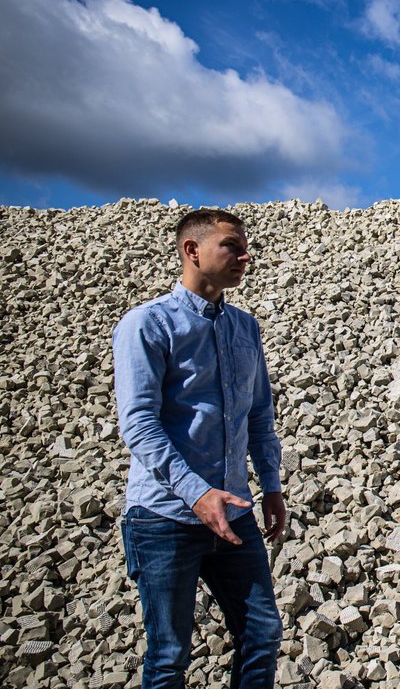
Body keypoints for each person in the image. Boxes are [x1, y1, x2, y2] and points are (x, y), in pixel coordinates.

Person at [114, 208, 286, 688]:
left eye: (244, 245)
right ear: (192, 250)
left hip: (233, 512)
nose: (245, 256)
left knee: (262, 631)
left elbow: (258, 414)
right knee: (169, 655)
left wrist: (270, 485)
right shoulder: (148, 325)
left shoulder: (244, 327)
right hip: (165, 517)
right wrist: (196, 493)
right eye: (231, 245)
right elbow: (139, 423)